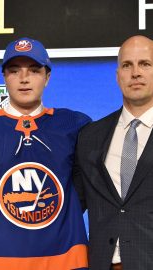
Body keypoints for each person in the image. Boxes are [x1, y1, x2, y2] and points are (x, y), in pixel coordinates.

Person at [0, 37, 90, 270]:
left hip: (64, 261)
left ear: (47, 77)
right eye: (14, 71)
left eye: (34, 70)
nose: (24, 79)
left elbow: (88, 189)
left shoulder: (74, 126)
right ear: (4, 77)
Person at [73, 35, 153, 270]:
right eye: (127, 65)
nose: (135, 73)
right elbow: (72, 205)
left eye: (145, 64)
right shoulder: (90, 136)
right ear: (118, 76)